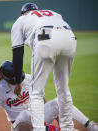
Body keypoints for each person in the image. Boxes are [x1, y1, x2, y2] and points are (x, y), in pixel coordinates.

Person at [11, 3, 77, 131]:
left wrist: (18, 81)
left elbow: (17, 53)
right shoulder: (53, 12)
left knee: (36, 93)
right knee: (63, 89)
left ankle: (39, 129)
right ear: (36, 10)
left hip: (45, 36)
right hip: (69, 37)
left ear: (23, 13)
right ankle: (68, 128)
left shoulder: (21, 20)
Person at [0, 61, 98, 131]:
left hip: (38, 120)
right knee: (25, 114)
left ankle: (90, 126)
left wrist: (54, 112)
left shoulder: (28, 78)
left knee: (58, 102)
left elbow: (41, 98)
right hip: (20, 126)